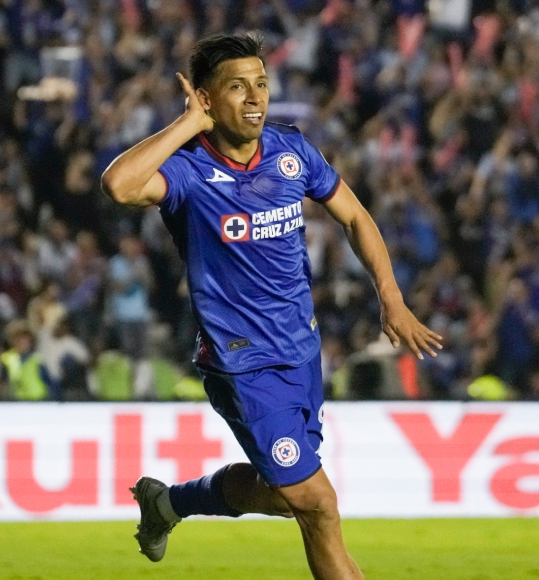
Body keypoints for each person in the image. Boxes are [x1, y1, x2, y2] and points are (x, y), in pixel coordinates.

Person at [101, 34, 441, 578]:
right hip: (242, 363)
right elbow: (118, 185)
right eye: (238, 87)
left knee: (284, 496)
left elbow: (354, 217)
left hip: (302, 354)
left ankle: (167, 504)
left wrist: (391, 299)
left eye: (261, 83)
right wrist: (190, 124)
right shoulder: (188, 173)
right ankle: (170, 505)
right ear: (208, 99)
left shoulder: (291, 152)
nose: (256, 97)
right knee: (318, 505)